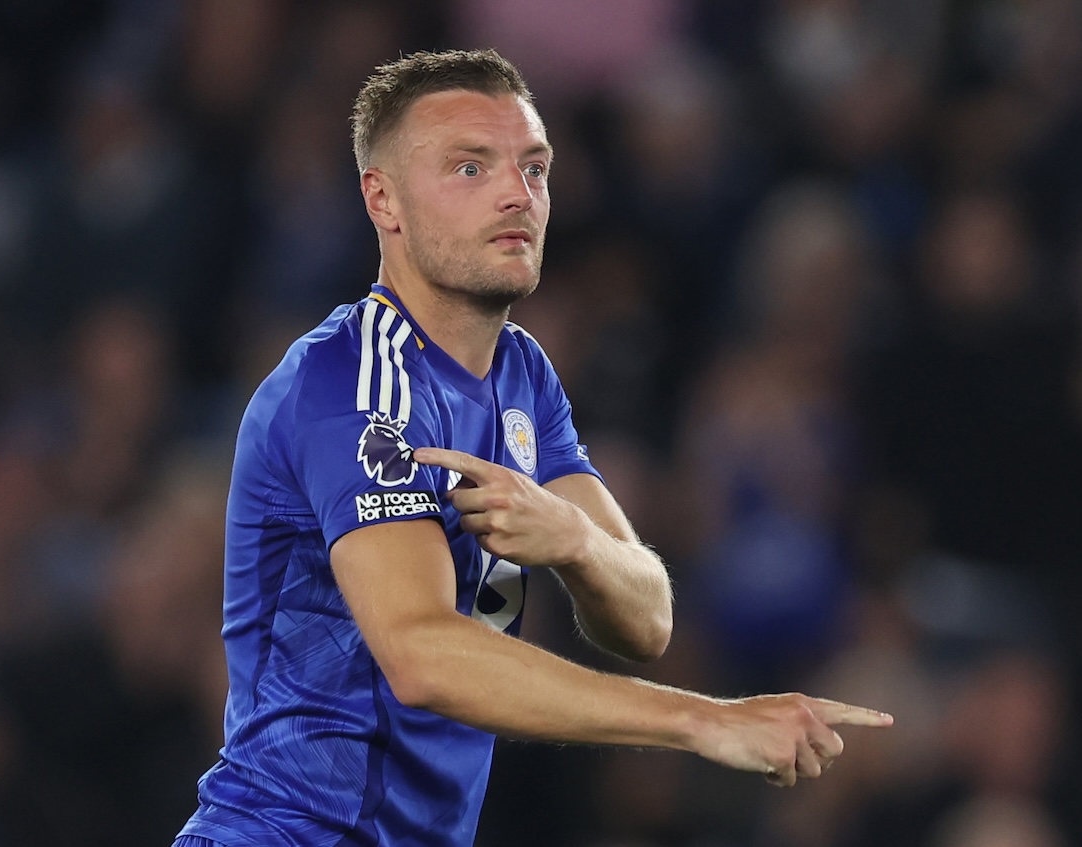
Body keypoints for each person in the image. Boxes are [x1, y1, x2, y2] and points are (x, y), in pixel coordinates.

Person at [173, 48, 893, 847]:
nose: (518, 194)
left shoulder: (522, 373)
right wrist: (703, 721)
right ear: (384, 199)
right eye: (469, 168)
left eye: (535, 168)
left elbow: (646, 615)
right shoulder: (353, 381)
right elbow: (424, 654)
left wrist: (578, 542)